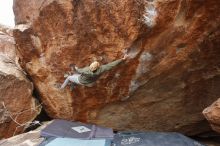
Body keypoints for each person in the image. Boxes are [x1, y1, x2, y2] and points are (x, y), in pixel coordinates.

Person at [60, 54, 128, 89]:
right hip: (91, 83)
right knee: (76, 77)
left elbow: (77, 71)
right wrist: (122, 59)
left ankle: (62, 87)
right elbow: (111, 65)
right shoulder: (101, 69)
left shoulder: (86, 70)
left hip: (82, 81)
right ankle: (73, 84)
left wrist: (74, 67)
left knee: (69, 77)